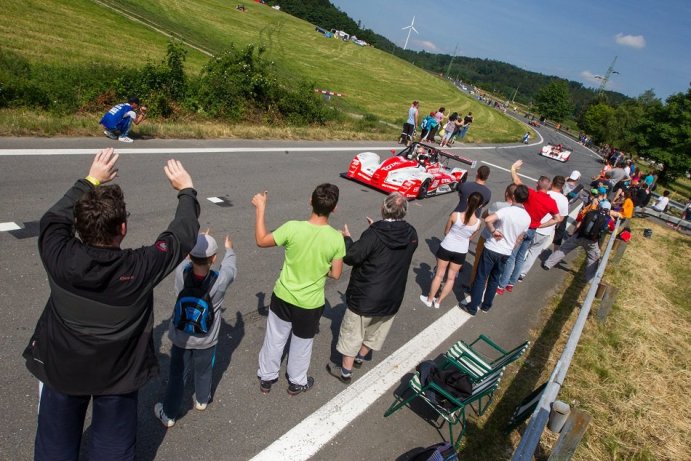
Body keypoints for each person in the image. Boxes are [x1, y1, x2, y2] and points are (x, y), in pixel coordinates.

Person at [23, 148, 199, 460]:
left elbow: (53, 218)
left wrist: (91, 179)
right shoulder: (141, 266)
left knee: (54, 448)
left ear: (79, 226)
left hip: (63, 367)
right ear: (123, 228)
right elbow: (181, 235)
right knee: (112, 450)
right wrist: (186, 190)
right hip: (117, 375)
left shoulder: (59, 255)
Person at [254, 184, 346, 395]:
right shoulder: (336, 238)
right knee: (302, 344)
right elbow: (336, 274)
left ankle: (267, 378)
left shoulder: (292, 227)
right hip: (310, 304)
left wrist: (260, 208)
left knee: (275, 338)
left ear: (310, 201)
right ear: (334, 208)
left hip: (283, 296)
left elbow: (261, 240)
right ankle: (296, 381)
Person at [326, 193, 418, 383]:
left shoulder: (375, 234)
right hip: (392, 295)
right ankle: (360, 358)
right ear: (404, 212)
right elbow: (391, 249)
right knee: (375, 331)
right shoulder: (411, 234)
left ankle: (345, 372)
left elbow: (352, 256)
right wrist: (376, 229)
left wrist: (347, 238)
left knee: (353, 334)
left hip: (366, 295)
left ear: (383, 208)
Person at [154, 232, 237, 428]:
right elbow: (230, 268)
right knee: (204, 370)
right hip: (206, 339)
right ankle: (202, 399)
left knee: (177, 375)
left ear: (190, 256)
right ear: (214, 258)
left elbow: (184, 259)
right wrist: (229, 249)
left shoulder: (181, 272)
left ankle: (169, 414)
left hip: (181, 338)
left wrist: (196, 241)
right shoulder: (220, 279)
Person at [460, 185, 531, 315]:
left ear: (514, 196)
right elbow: (520, 237)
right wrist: (512, 246)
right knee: (494, 278)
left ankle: (472, 306)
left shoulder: (507, 211)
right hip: (506, 252)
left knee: (481, 277)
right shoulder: (527, 217)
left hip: (492, 247)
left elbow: (487, 219)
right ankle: (486, 305)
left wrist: (494, 231)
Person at [497, 160, 562, 294]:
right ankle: (512, 282)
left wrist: (513, 169)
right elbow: (558, 218)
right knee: (521, 257)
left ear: (538, 184)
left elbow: (517, 182)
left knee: (512, 257)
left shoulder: (531, 194)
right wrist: (541, 224)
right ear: (548, 187)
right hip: (533, 230)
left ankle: (501, 284)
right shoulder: (551, 202)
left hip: (522, 228)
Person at [421, 192, 482, 309]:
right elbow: (471, 238)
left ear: (468, 199)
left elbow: (446, 231)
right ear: (480, 206)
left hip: (447, 246)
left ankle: (429, 299)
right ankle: (438, 302)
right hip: (461, 251)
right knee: (451, 278)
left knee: (439, 274)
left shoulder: (455, 215)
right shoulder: (478, 223)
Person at [543, 201, 619, 282]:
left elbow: (581, 222)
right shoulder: (608, 219)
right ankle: (589, 279)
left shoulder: (590, 212)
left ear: (599, 206)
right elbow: (612, 228)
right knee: (593, 258)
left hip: (579, 236)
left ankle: (548, 264)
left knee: (563, 249)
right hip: (592, 242)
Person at [519, 176, 569, 280]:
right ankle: (521, 274)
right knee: (533, 253)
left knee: (521, 249)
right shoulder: (564, 200)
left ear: (552, 184)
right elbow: (560, 219)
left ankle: (513, 270)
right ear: (562, 186)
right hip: (546, 231)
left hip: (531, 225)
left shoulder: (547, 194)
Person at [468, 184, 517, 288]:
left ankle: (473, 285)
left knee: (478, 262)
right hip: (504, 244)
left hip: (487, 237)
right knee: (493, 269)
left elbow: (484, 215)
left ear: (506, 193)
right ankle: (484, 286)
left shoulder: (498, 205)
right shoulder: (518, 211)